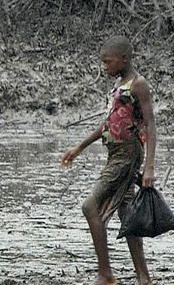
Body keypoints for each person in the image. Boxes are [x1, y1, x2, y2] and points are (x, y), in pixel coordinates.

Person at [60, 35, 158, 285]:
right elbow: (108, 123)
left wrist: (149, 167)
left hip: (128, 155)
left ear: (124, 59)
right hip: (115, 154)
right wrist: (79, 147)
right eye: (102, 62)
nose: (104, 66)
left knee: (90, 207)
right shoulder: (118, 87)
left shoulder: (138, 84)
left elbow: (150, 124)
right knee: (127, 214)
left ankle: (105, 273)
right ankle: (143, 276)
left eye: (108, 62)